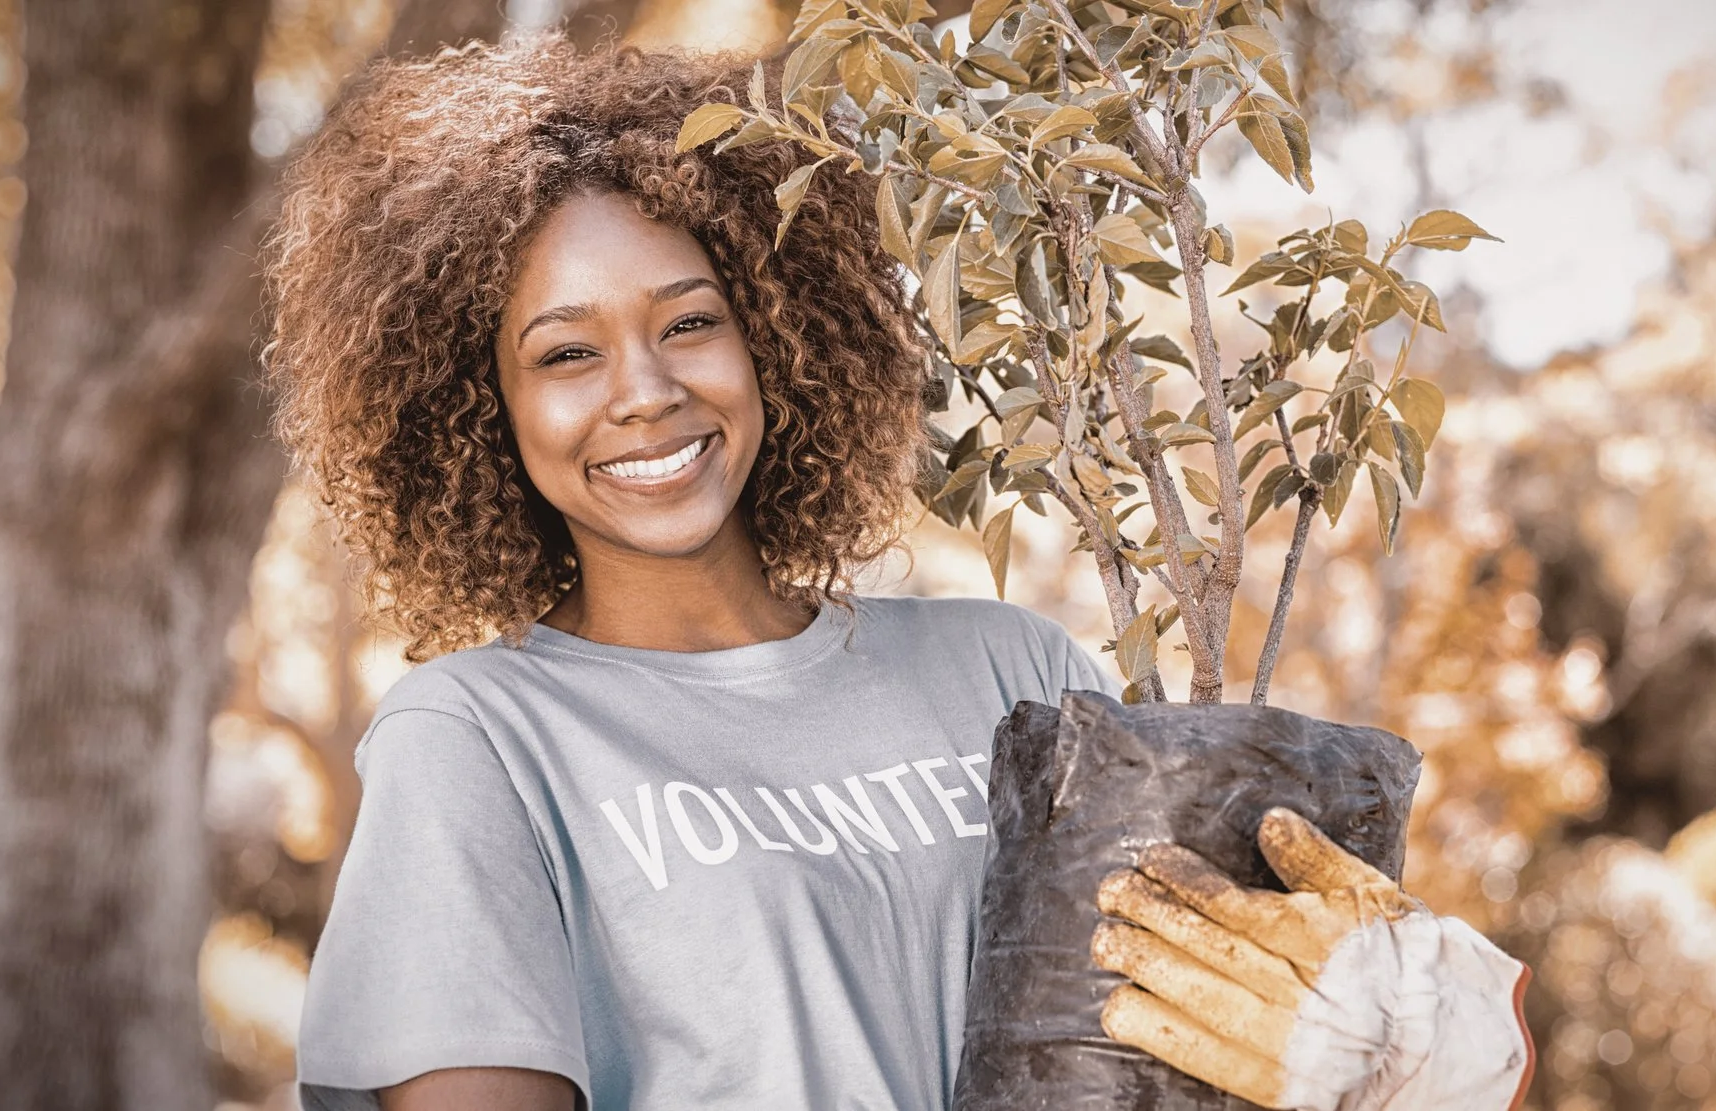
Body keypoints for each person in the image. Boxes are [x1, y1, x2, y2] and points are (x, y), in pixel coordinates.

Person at [266, 35, 1529, 1111]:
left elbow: (1174, 1040)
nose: (644, 393)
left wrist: (1405, 1056)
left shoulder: (1009, 669)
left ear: (774, 331)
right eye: (564, 353)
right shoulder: (478, 739)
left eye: (690, 321)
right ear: (476, 404)